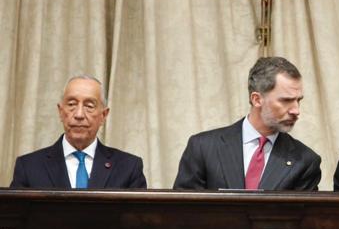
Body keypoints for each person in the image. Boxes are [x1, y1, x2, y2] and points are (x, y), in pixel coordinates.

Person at [173, 57, 321, 190]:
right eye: (286, 100)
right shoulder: (203, 147)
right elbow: (184, 212)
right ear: (257, 99)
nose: (296, 110)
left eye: (298, 100)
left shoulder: (305, 161)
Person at [10, 75, 147, 189]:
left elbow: (139, 220)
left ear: (103, 115)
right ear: (60, 112)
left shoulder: (128, 168)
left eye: (89, 106)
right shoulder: (29, 167)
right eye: (71, 104)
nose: (79, 114)